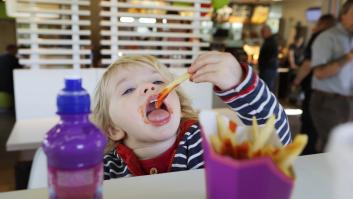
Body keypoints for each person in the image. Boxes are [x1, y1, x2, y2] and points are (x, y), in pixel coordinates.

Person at [92, 52, 292, 180]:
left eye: (158, 82)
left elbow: (275, 142)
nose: (149, 87)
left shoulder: (207, 141)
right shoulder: (106, 169)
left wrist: (239, 83)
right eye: (127, 90)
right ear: (113, 128)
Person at [310, 0, 353, 152]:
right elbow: (320, 73)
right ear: (343, 15)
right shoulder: (327, 38)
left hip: (347, 100)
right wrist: (349, 56)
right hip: (327, 101)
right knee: (333, 146)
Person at [293, 14, 336, 154]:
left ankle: (306, 158)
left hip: (316, 89)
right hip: (336, 93)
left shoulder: (320, 38)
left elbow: (308, 65)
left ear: (322, 23)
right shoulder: (340, 39)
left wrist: (297, 80)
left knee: (310, 125)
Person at [258, 25, 279, 92]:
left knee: (267, 90)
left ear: (269, 32)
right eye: (261, 32)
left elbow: (272, 57)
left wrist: (263, 64)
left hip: (268, 70)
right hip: (266, 69)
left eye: (263, 32)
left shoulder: (272, 42)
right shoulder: (267, 41)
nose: (261, 34)